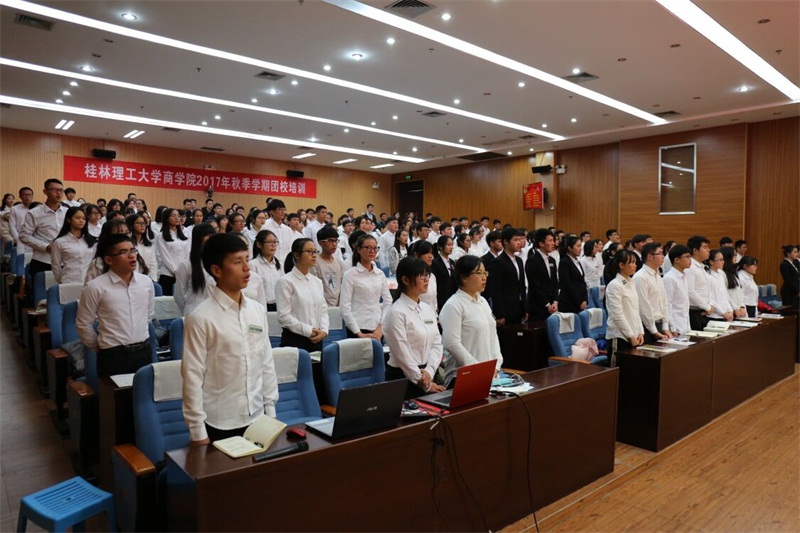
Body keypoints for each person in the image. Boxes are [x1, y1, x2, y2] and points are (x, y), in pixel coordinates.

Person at [182, 232, 278, 444]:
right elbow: (192, 377)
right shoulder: (200, 318)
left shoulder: (256, 310)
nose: (247, 268)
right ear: (216, 270)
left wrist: (270, 410)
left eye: (247, 259)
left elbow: (266, 362)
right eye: (237, 262)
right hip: (220, 423)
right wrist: (198, 432)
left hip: (258, 417)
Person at [76, 233, 155, 377]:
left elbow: (148, 315)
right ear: (108, 260)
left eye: (133, 250)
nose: (131, 256)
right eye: (123, 252)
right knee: (113, 392)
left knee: (143, 391)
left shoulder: (146, 282)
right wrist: (101, 347)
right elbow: (83, 324)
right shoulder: (95, 287)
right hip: (113, 355)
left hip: (143, 351)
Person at [383, 257, 444, 399]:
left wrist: (429, 370)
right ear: (405, 280)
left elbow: (437, 343)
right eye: (421, 275)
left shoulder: (427, 309)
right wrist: (423, 382)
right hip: (403, 379)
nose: (426, 279)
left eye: (427, 274)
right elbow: (403, 354)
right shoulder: (396, 312)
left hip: (427, 375)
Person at [440, 255, 503, 387]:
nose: (484, 277)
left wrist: (496, 365)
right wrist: (478, 369)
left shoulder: (483, 301)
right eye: (479, 273)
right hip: (463, 376)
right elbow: (452, 344)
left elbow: (494, 335)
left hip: (490, 375)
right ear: (464, 277)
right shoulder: (453, 305)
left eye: (485, 273)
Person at [275, 238, 329, 352]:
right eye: (309, 252)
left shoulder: (317, 282)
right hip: (295, 340)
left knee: (317, 364)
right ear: (296, 255)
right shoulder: (285, 281)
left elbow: (323, 311)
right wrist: (308, 331)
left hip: (317, 339)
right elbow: (283, 316)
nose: (314, 255)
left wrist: (324, 331)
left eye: (315, 252)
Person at [340, 234, 392, 339]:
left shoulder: (380, 274)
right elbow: (344, 308)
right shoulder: (350, 274)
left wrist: (381, 327)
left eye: (375, 248)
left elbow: (388, 301)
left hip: (378, 328)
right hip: (357, 328)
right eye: (368, 248)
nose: (372, 251)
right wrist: (358, 333)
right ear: (358, 249)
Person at [19, 178, 69, 278]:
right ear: (45, 191)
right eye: (55, 190)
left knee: (65, 287)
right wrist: (46, 247)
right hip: (43, 261)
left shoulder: (68, 212)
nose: (59, 193)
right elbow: (24, 236)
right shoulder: (34, 213)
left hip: (66, 261)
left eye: (61, 190)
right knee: (41, 287)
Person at [605, 249, 644, 362]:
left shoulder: (631, 282)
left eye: (635, 262)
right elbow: (617, 315)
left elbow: (635, 310)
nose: (635, 265)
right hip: (620, 336)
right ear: (621, 265)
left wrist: (640, 332)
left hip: (634, 335)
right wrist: (630, 336)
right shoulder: (614, 285)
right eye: (632, 262)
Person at [174, 223, 217, 317]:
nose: (211, 238)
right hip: (193, 312)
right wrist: (188, 310)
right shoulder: (186, 264)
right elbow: (179, 295)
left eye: (213, 235)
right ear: (199, 238)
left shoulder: (218, 262)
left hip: (215, 313)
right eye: (207, 236)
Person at [633, 242, 673, 342]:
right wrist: (654, 331)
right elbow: (643, 307)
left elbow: (664, 301)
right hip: (646, 327)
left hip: (659, 324)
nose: (663, 256)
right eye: (660, 253)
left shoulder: (657, 275)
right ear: (650, 257)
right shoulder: (640, 277)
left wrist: (665, 327)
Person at [50, 206, 97, 284]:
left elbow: (94, 262)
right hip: (69, 281)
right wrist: (61, 281)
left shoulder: (91, 241)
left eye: (84, 219)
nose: (81, 221)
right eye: (78, 218)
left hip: (89, 281)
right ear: (69, 219)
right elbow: (56, 265)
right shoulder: (59, 242)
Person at [524, 228, 558, 322]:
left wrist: (555, 301)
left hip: (552, 305)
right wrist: (547, 304)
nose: (553, 243)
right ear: (541, 244)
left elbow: (555, 282)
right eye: (550, 241)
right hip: (537, 307)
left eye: (553, 241)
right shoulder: (532, 261)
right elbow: (535, 285)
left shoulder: (552, 260)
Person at [155, 208, 190, 295]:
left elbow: (188, 252)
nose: (177, 218)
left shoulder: (186, 234)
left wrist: (184, 270)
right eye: (173, 216)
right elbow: (165, 256)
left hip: (184, 273)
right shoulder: (161, 236)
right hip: (168, 274)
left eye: (178, 216)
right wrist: (175, 271)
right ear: (167, 218)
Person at [311, 226, 347, 307]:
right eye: (330, 241)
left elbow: (343, 285)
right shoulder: (314, 263)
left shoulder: (339, 263)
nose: (334, 244)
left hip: (338, 306)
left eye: (336, 241)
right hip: (321, 306)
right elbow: (314, 288)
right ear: (321, 243)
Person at [248, 229, 282, 311]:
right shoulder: (253, 265)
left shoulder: (280, 264)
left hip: (279, 306)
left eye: (275, 242)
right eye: (269, 242)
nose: (273, 245)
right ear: (259, 244)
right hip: (262, 307)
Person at [663, 245, 693, 335]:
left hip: (685, 325)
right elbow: (667, 304)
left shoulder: (684, 276)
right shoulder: (669, 278)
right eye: (687, 257)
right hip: (676, 327)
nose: (690, 259)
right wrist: (672, 328)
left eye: (690, 257)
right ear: (677, 260)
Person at [686, 235, 714, 330]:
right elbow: (690, 291)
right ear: (695, 250)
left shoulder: (702, 266)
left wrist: (710, 305)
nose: (708, 250)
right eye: (705, 247)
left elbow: (707, 289)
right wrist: (707, 307)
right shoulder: (690, 267)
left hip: (704, 311)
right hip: (694, 311)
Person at [556, 234, 588, 314]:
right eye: (578, 246)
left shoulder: (577, 261)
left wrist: (585, 299)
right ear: (570, 248)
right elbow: (567, 284)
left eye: (581, 246)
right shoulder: (564, 262)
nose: (580, 249)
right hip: (569, 302)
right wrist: (579, 302)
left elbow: (582, 281)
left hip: (580, 301)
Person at [126, 213, 158, 282]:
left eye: (144, 223)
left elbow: (153, 263)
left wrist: (152, 279)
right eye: (138, 223)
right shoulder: (127, 244)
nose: (142, 225)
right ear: (131, 225)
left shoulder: (149, 244)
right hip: (132, 279)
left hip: (147, 279)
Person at [705, 249, 734, 321]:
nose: (723, 262)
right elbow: (710, 299)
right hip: (714, 315)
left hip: (725, 314)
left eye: (723, 259)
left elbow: (725, 295)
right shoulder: (707, 276)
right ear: (711, 262)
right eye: (720, 260)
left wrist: (730, 310)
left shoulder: (721, 274)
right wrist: (723, 313)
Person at [430, 235, 457, 311]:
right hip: (441, 298)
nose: (451, 247)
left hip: (452, 298)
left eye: (452, 245)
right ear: (440, 247)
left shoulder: (452, 262)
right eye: (448, 245)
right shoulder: (435, 262)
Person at [720, 247, 747, 318]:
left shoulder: (734, 272)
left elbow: (740, 292)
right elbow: (725, 295)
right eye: (734, 255)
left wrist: (742, 307)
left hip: (738, 310)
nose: (736, 257)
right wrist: (735, 309)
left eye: (736, 255)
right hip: (729, 311)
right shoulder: (722, 274)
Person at [412, 240, 438, 312]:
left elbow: (434, 301)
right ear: (416, 255)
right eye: (426, 253)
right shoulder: (412, 276)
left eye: (431, 253)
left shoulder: (432, 276)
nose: (430, 256)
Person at [9, 186, 34, 254]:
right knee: (21, 258)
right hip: (20, 240)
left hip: (35, 240)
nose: (27, 197)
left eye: (29, 195)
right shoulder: (14, 209)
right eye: (24, 195)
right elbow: (12, 226)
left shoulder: (38, 208)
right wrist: (18, 240)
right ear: (20, 196)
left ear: (32, 196)